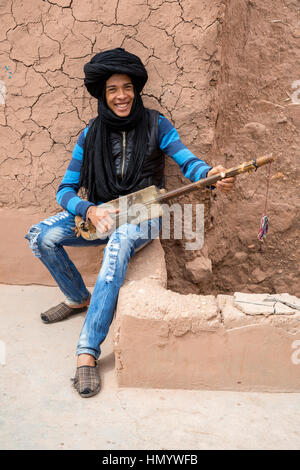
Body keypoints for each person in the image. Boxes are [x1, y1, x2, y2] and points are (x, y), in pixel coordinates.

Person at [25, 48, 235, 398]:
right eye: (112, 89)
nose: (121, 96)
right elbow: (64, 190)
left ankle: (87, 351)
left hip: (144, 214)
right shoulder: (89, 134)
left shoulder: (157, 124)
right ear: (102, 95)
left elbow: (188, 162)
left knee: (120, 242)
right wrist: (88, 209)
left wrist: (210, 174)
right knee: (40, 237)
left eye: (127, 87)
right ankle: (78, 298)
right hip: (103, 213)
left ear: (136, 89)